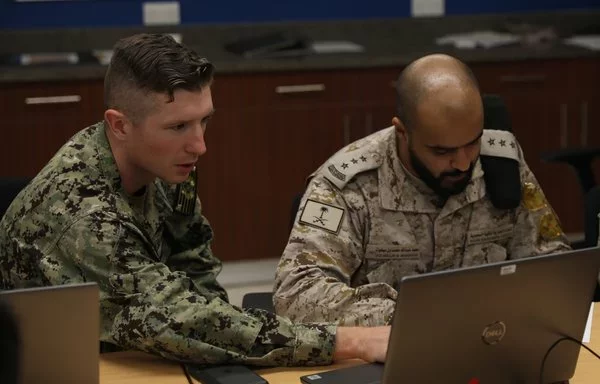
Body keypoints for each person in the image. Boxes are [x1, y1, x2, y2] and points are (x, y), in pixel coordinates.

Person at [0, 33, 389, 366]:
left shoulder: (167, 161)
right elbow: (179, 319)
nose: (199, 145)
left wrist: (225, 354)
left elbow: (192, 260)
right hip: (66, 366)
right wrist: (347, 340)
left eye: (204, 120)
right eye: (178, 126)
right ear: (119, 125)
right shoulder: (82, 215)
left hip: (139, 349)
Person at [273, 54, 571, 326]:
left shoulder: (500, 160)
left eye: (472, 142)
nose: (464, 163)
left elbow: (553, 266)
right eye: (442, 151)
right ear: (402, 132)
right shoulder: (346, 185)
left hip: (491, 346)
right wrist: (417, 313)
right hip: (385, 357)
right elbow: (296, 296)